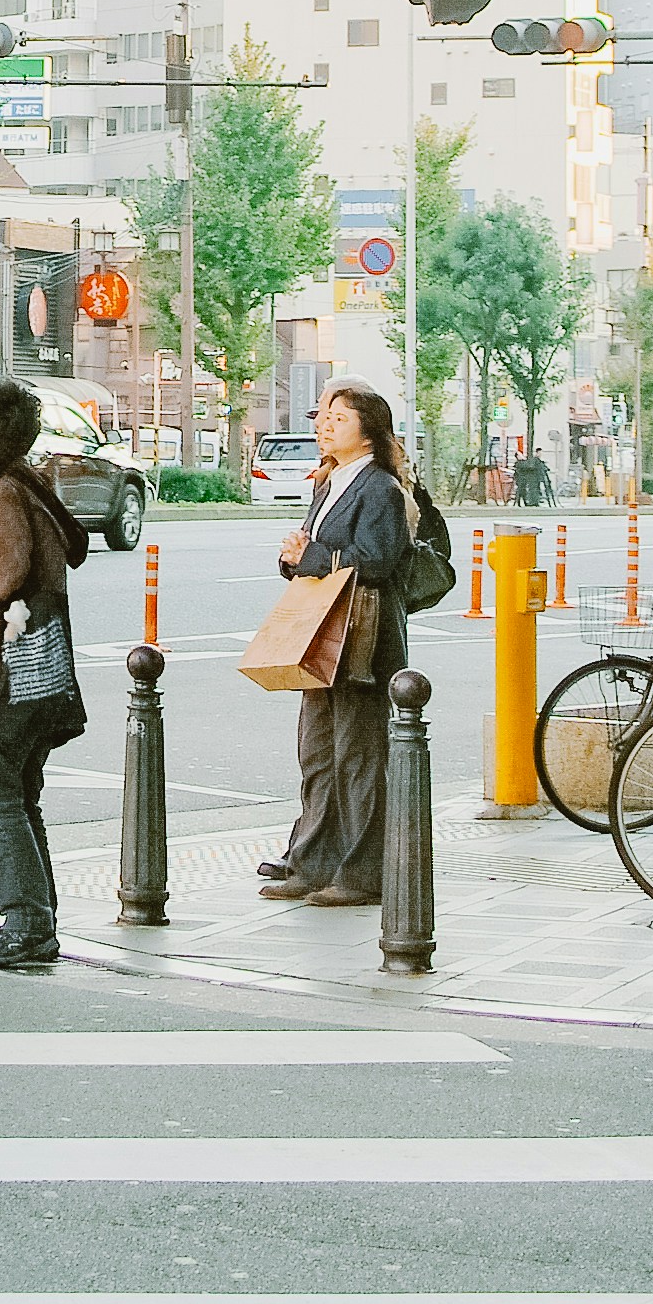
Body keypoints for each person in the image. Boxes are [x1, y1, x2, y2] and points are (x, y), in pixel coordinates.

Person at [0, 379, 89, 970]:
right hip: (43, 670)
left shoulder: (4, 496)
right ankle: (34, 916)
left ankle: (28, 924)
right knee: (20, 798)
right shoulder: (30, 486)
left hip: (8, 671)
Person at [263, 382, 418, 910]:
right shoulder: (330, 482)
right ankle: (313, 862)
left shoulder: (379, 488)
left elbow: (376, 559)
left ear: (368, 430)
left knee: (357, 756)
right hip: (326, 634)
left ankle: (363, 870)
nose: (324, 425)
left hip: (362, 643)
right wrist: (295, 555)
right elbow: (322, 552)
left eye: (338, 418)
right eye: (322, 417)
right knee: (318, 753)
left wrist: (312, 556)